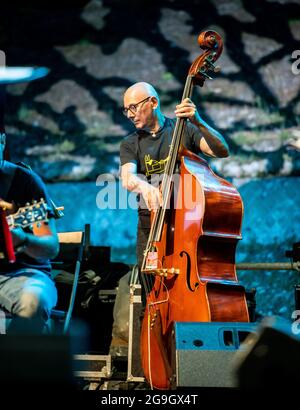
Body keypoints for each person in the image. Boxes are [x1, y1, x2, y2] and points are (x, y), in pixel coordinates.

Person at [120, 82, 229, 278]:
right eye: (126, 109)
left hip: (187, 224)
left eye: (133, 107)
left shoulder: (184, 129)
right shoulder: (130, 143)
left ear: (153, 102)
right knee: (150, 287)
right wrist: (145, 187)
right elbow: (128, 178)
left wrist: (198, 122)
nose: (129, 114)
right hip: (150, 226)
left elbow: (220, 151)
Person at [0, 132, 59, 333]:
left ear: (2, 140)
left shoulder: (25, 182)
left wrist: (22, 239)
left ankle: (21, 363)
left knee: (33, 300)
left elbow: (50, 247)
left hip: (21, 275)